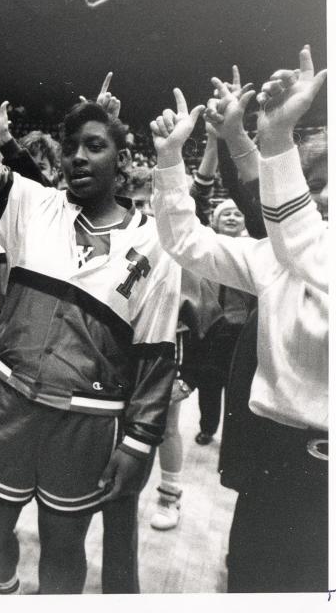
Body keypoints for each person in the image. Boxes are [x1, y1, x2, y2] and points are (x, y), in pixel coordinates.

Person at [0, 0, 180, 594]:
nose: (78, 157)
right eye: (71, 148)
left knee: (64, 553)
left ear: (123, 159)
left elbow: (155, 355)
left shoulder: (157, 246)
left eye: (95, 146)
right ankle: (4, 592)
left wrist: (141, 441)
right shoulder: (33, 205)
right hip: (8, 400)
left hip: (86, 420)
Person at [150, 47, 328, 592]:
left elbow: (299, 235)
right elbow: (184, 240)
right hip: (272, 456)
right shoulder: (275, 256)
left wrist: (270, 139)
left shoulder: (306, 247)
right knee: (250, 579)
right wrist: (169, 159)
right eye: (312, 189)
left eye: (323, 189)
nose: (316, 200)